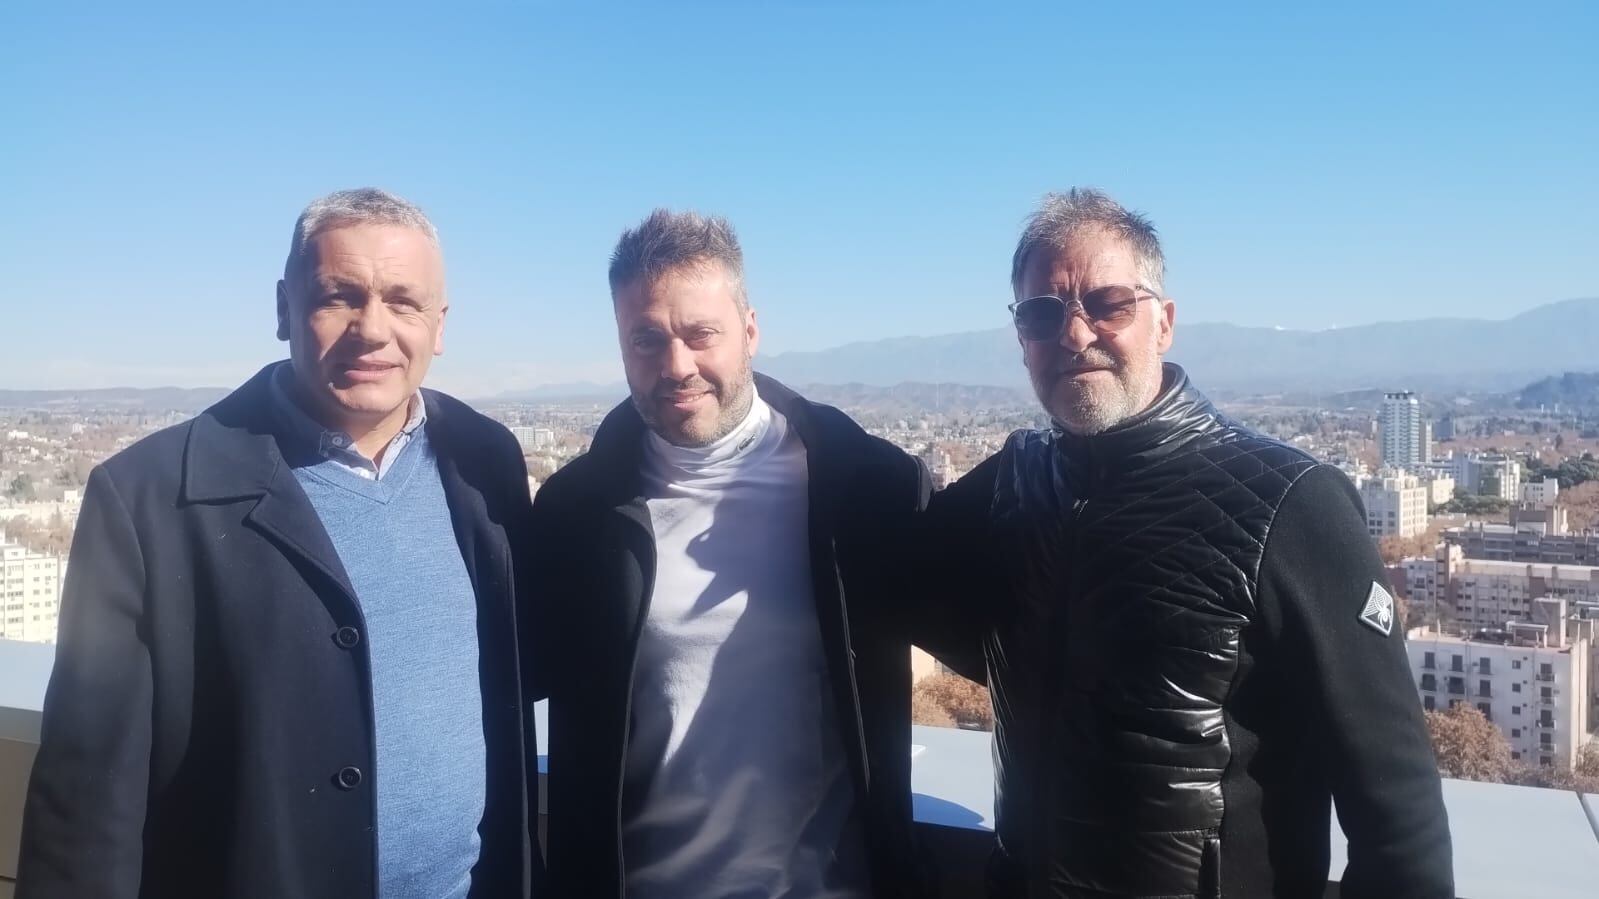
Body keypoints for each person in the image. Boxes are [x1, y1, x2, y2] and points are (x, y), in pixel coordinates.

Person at [924, 188, 1454, 897]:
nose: (1074, 334)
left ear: (1163, 321)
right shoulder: (1013, 481)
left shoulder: (1291, 504)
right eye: (1042, 313)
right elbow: (897, 569)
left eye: (1108, 303)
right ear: (1021, 337)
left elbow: (1397, 808)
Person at [18, 188, 538, 899]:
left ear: (439, 324)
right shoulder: (150, 499)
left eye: (403, 301)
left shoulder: (486, 462)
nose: (372, 329)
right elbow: (84, 807)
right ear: (283, 307)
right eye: (339, 296)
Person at [528, 209, 935, 898]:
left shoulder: (861, 486)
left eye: (699, 334)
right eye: (646, 339)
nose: (675, 365)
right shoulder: (576, 513)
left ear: (750, 329)